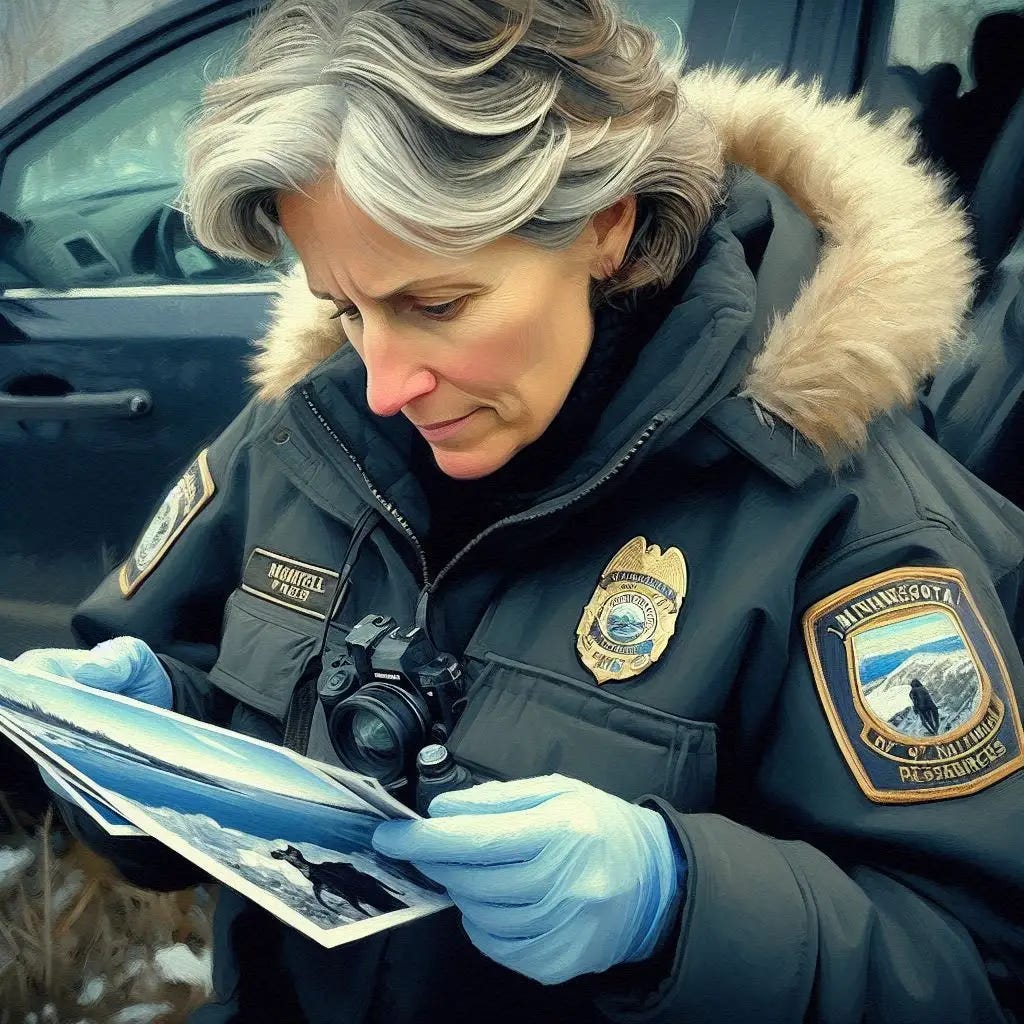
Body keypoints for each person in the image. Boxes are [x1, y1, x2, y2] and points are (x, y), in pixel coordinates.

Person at [13, 1, 1024, 1020]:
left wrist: (677, 905)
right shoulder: (308, 437)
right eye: (346, 310)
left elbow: (973, 966)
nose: (383, 383)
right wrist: (133, 737)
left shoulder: (851, 523)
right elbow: (188, 728)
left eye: (436, 306)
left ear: (605, 225)